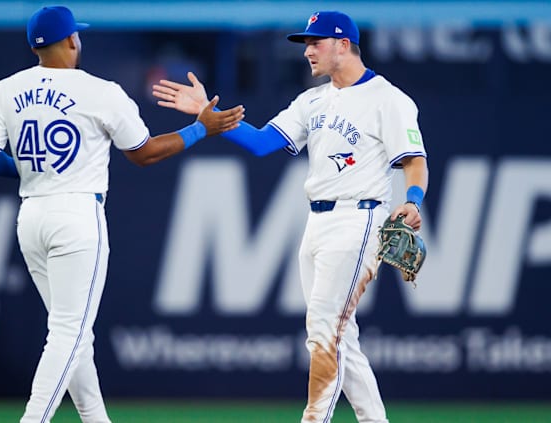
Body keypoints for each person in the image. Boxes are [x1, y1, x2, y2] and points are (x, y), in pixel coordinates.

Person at [0, 6, 244, 423]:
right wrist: (199, 128)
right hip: (77, 214)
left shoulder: (6, 89)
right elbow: (145, 153)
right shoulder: (101, 90)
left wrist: (32, 167)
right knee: (68, 333)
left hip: (32, 216)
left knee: (76, 334)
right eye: (76, 36)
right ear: (71, 41)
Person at [152, 10, 428, 423]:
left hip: (360, 218)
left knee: (322, 330)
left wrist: (412, 199)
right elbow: (264, 143)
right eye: (306, 44)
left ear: (344, 44)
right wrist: (209, 118)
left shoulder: (388, 99)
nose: (308, 52)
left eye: (315, 43)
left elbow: (415, 161)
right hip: (316, 223)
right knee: (340, 337)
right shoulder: (313, 99)